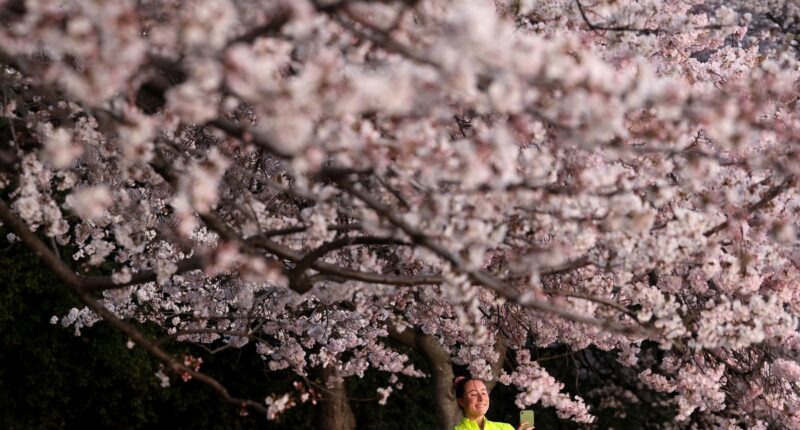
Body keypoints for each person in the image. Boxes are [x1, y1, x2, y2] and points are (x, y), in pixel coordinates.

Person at [453, 376, 534, 430]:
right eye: (473, 394)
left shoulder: (506, 428)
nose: (481, 399)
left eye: (483, 393)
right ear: (461, 401)